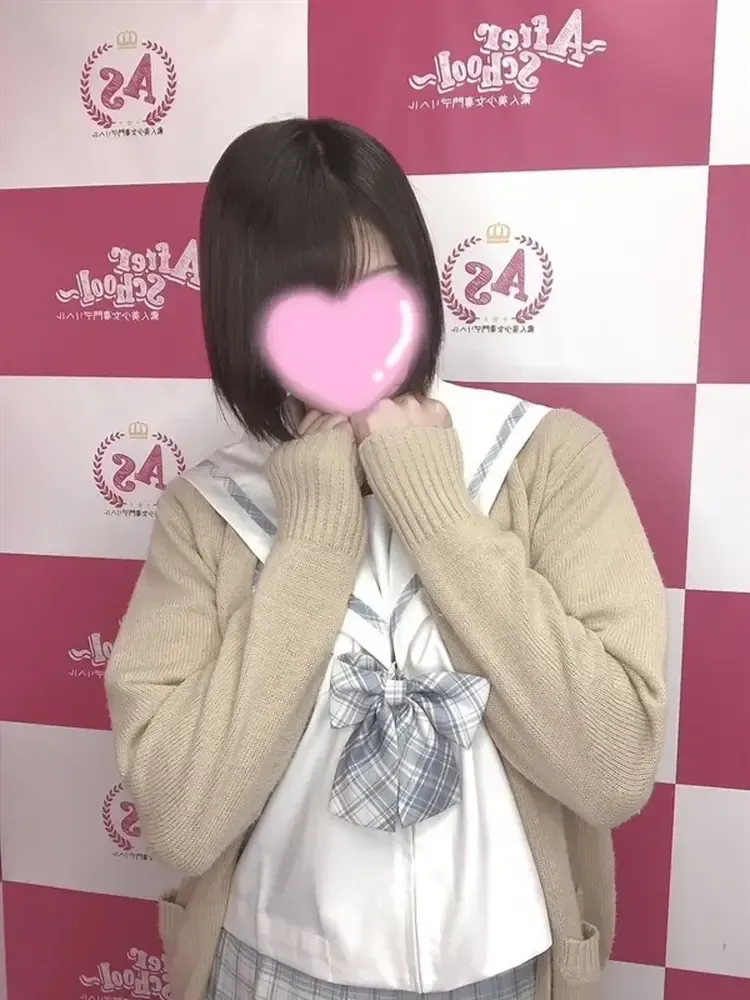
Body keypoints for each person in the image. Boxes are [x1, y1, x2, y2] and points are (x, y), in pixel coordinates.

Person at [105, 117, 667, 1000]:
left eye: (373, 288)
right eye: (298, 305)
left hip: (505, 970)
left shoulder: (547, 458)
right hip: (269, 969)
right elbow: (180, 817)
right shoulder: (205, 512)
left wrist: (436, 512)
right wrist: (314, 537)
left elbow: (613, 768)